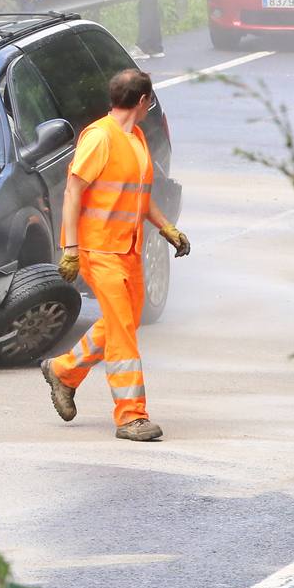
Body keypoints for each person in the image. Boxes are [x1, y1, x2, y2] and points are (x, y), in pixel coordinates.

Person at [39, 69, 190, 442]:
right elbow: (73, 192)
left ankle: (64, 370)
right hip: (98, 248)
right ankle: (131, 416)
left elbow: (137, 197)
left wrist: (165, 227)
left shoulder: (135, 137)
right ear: (142, 101)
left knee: (125, 319)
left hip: (127, 247)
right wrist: (71, 249)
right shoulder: (99, 138)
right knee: (122, 330)